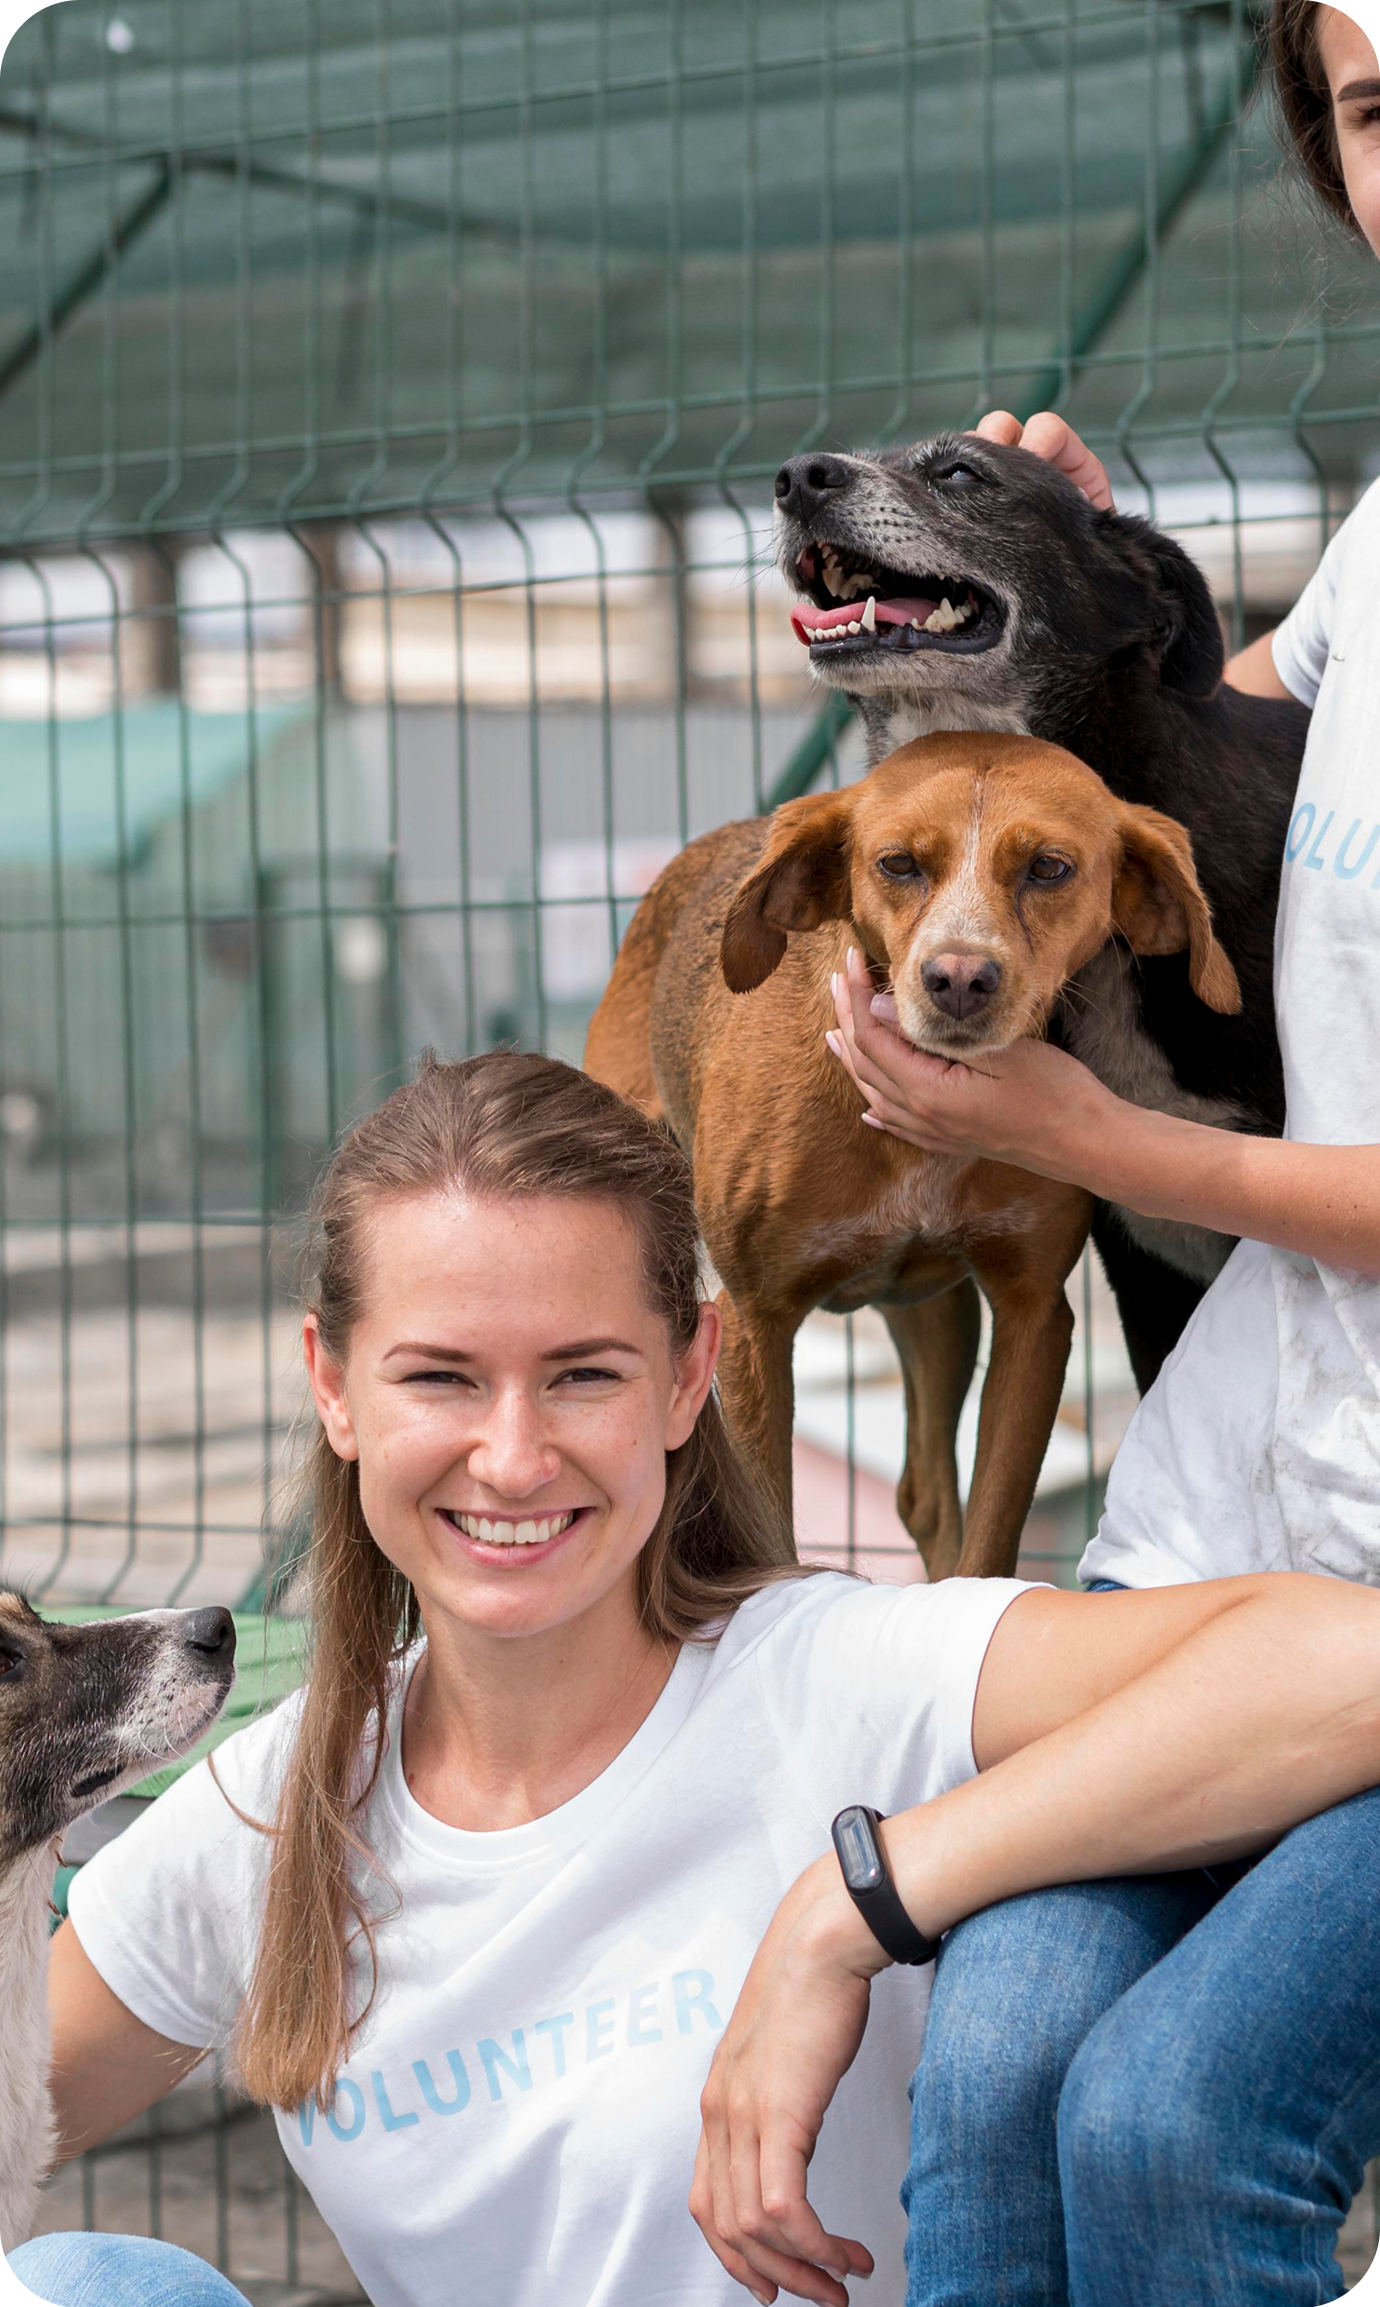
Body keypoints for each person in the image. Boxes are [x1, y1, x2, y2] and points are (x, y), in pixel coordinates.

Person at [11, 1049, 1380, 2307]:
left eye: (581, 1375)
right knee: (91, 2279)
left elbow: (1343, 1660)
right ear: (334, 1385)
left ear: (688, 1377)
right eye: (440, 1376)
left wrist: (852, 1905)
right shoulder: (276, 1808)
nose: (512, 1454)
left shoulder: (832, 1677)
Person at [693, 6, 1380, 2305]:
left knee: (1173, 2123)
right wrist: (1071, 566)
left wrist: (1100, 1142)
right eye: (1375, 116)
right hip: (1242, 1515)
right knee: (988, 2086)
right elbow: (1235, 716)